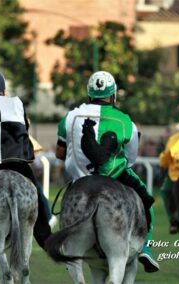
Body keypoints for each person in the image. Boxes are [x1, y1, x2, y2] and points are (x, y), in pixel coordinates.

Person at [55, 71, 160, 273]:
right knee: (147, 200)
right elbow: (131, 158)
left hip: (80, 180)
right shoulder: (126, 121)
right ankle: (146, 247)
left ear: (89, 93)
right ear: (113, 95)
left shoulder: (69, 117)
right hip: (116, 177)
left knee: (67, 205)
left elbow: (60, 152)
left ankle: (66, 243)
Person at [0, 68, 52, 249]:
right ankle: (47, 238)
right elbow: (24, 129)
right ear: (3, 90)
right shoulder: (16, 102)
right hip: (16, 162)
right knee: (36, 192)